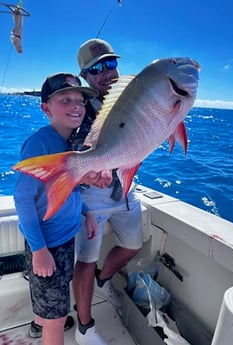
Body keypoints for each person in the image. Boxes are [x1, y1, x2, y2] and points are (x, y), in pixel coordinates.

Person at [14, 72, 100, 345]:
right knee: (57, 321)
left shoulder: (73, 143)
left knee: (53, 298)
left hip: (64, 241)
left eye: (80, 100)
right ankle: (50, 322)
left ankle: (44, 319)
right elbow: (23, 199)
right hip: (47, 243)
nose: (76, 106)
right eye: (65, 100)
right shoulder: (40, 144)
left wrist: (86, 213)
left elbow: (68, 189)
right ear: (46, 108)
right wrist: (39, 250)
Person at [72, 38, 143, 345]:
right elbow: (75, 146)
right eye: (95, 69)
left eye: (110, 64)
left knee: (133, 245)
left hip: (126, 188)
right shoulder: (79, 107)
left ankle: (103, 281)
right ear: (85, 77)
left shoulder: (132, 97)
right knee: (85, 260)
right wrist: (89, 172)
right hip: (92, 196)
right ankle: (84, 327)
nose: (105, 73)